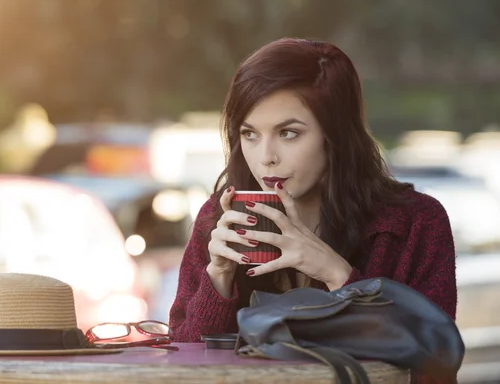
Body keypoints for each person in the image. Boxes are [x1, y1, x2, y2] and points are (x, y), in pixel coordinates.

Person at [168, 38, 457, 344]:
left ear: (335, 136)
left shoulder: (415, 223)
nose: (266, 156)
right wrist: (219, 279)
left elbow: (433, 360)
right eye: (249, 133)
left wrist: (337, 275)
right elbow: (185, 361)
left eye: (288, 133)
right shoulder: (221, 218)